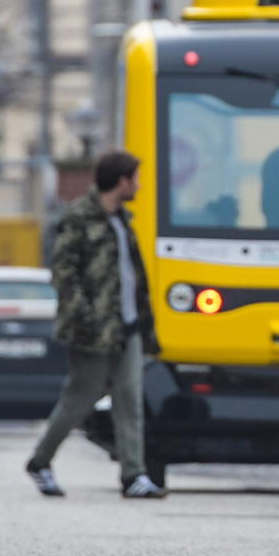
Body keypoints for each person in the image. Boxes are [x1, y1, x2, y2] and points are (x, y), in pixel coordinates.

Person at [25, 150, 165, 498]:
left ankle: (134, 474)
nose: (140, 185)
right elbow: (64, 274)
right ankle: (40, 461)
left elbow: (132, 276)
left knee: (130, 400)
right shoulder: (79, 219)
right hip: (93, 331)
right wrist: (84, 319)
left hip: (127, 327)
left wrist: (145, 325)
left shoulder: (121, 220)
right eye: (136, 178)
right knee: (79, 399)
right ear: (122, 181)